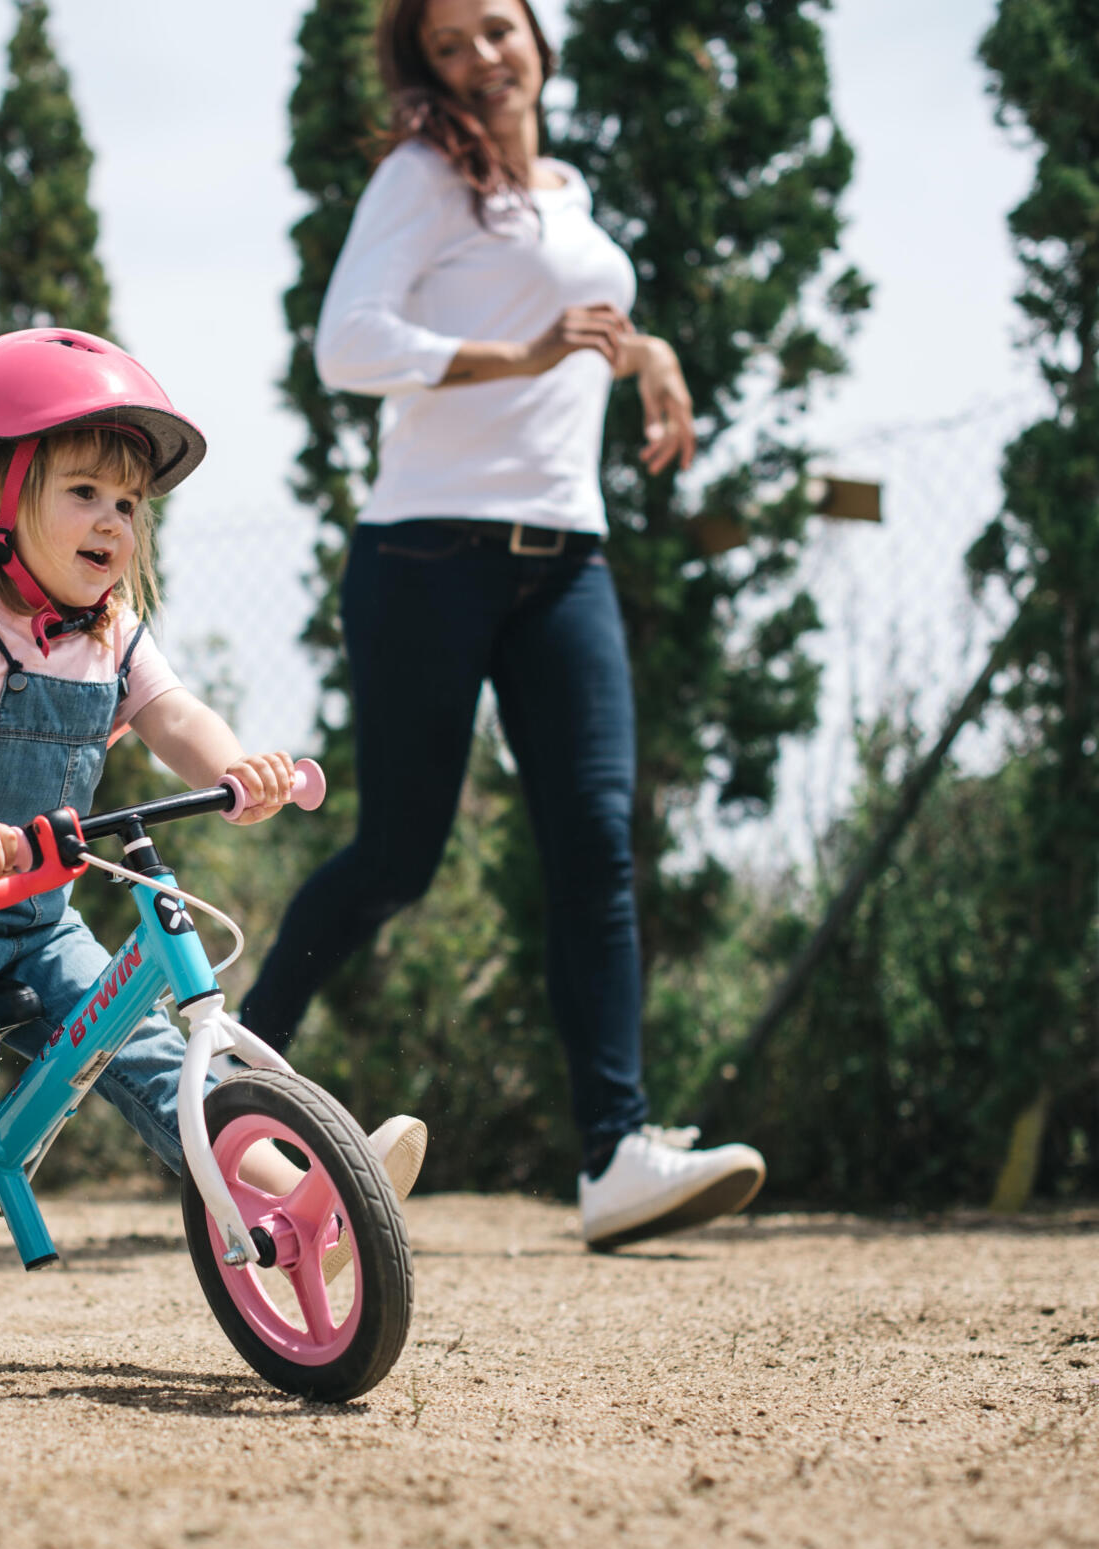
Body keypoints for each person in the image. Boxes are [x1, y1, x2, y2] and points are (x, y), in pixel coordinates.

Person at [0, 328, 428, 1346]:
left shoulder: (111, 630)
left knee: (148, 1042)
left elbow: (177, 714)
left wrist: (236, 767)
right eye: (84, 494)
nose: (115, 521)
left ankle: (306, 1194)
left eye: (130, 504)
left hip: (33, 916)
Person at [237, 0, 764, 1250]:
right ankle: (232, 1078)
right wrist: (518, 355)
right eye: (451, 43)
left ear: (538, 33)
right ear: (427, 67)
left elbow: (581, 322)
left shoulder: (566, 191)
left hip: (565, 554)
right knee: (398, 855)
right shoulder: (424, 178)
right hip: (428, 553)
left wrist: (649, 357)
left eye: (497, 27)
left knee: (594, 836)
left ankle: (615, 1154)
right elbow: (347, 343)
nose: (481, 55)